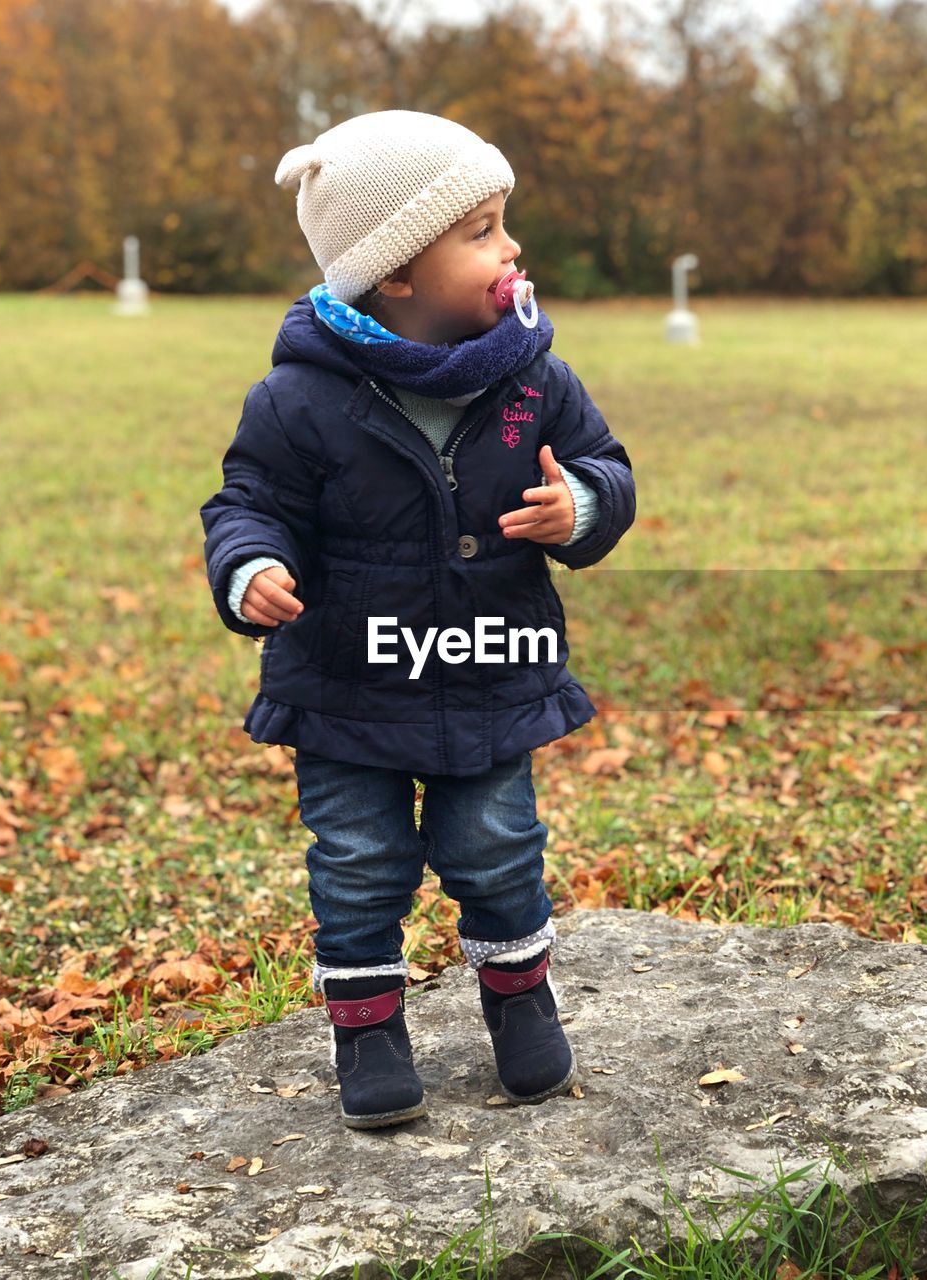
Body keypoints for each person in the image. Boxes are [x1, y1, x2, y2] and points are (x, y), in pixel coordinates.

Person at [200, 110, 636, 1130]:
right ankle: (368, 1029)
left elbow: (609, 469)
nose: (511, 247)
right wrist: (250, 564)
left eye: (503, 221)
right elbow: (247, 499)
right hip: (344, 680)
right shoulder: (299, 398)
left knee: (497, 842)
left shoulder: (534, 376)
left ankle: (520, 1003)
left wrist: (580, 502)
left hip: (489, 669)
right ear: (395, 272)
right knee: (356, 858)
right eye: (481, 229)